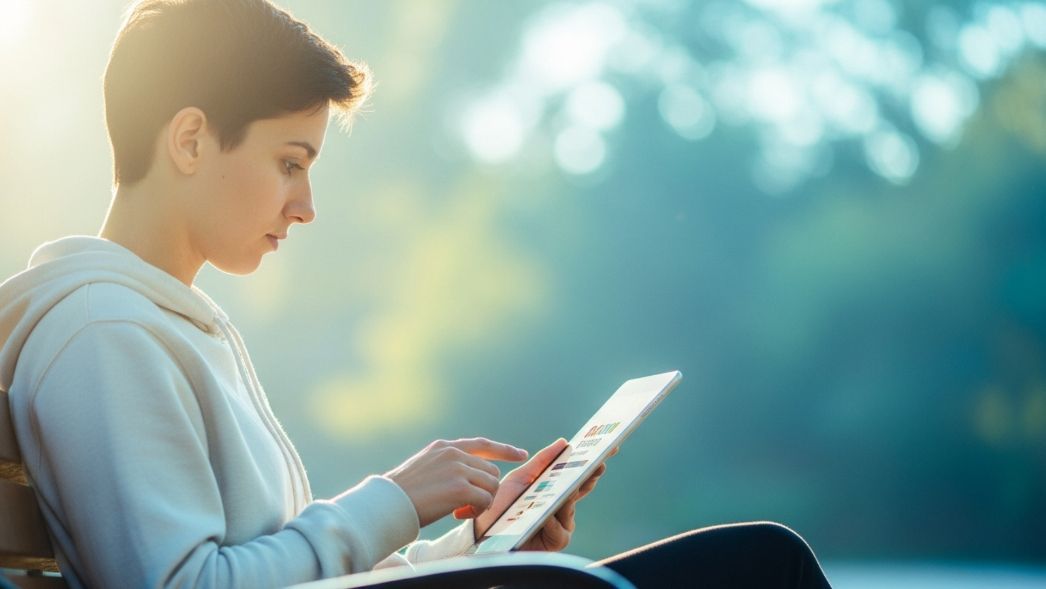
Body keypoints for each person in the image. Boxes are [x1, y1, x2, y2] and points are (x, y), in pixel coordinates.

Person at [0, 1, 833, 587]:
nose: (306, 203)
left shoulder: (165, 325)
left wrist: (483, 544)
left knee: (759, 561)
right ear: (189, 139)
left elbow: (302, 575)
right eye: (290, 161)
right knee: (762, 566)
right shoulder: (102, 332)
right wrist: (395, 499)